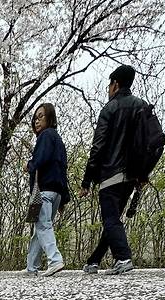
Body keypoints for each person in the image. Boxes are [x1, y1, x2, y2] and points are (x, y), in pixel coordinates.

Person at [80, 64, 145, 275]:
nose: (108, 89)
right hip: (133, 175)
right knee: (113, 219)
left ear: (115, 84)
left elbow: (98, 146)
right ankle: (94, 261)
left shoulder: (110, 108)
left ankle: (123, 257)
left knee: (110, 219)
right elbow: (150, 142)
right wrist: (143, 173)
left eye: (109, 85)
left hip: (111, 173)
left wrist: (87, 181)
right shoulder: (142, 107)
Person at [24, 103, 70, 276]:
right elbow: (62, 168)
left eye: (41, 116)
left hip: (44, 191)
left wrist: (29, 165)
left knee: (43, 226)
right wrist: (64, 198)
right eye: (35, 117)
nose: (36, 121)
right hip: (56, 192)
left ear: (50, 117)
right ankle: (31, 267)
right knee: (41, 228)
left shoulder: (45, 136)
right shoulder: (58, 139)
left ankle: (55, 260)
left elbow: (40, 159)